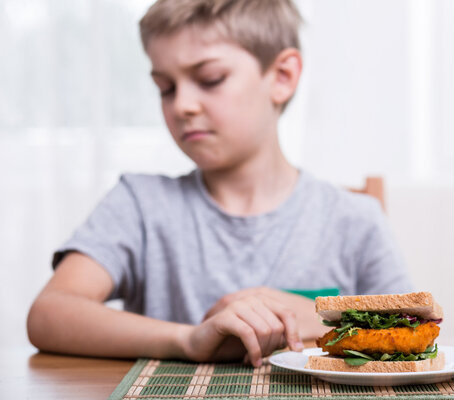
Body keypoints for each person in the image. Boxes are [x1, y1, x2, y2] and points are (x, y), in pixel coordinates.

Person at [26, 0, 413, 368]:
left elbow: (410, 331)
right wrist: (190, 340)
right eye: (166, 88)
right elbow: (49, 313)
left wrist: (314, 314)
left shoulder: (355, 218)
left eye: (209, 79)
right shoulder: (140, 204)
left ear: (282, 77)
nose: (182, 105)